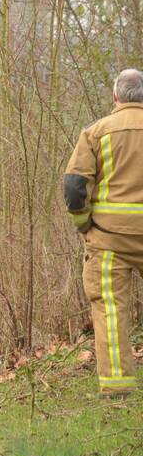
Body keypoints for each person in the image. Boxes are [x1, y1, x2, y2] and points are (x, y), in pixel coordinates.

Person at [64, 68, 143, 397]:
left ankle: (117, 387)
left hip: (109, 239)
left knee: (110, 308)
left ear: (115, 97)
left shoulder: (96, 133)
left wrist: (84, 224)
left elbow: (74, 186)